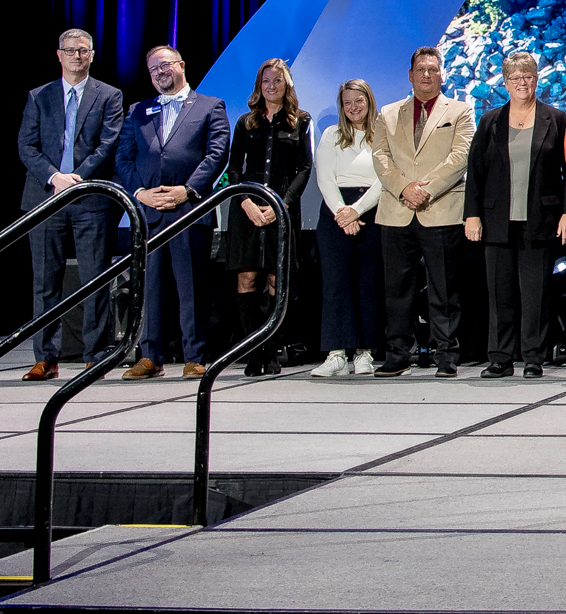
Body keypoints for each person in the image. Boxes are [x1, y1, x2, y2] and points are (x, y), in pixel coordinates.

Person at [17, 28, 125, 380]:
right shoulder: (39, 96)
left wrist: (76, 178)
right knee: (45, 281)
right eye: (70, 50)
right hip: (45, 198)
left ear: (92, 55)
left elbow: (108, 144)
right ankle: (46, 358)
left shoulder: (110, 95)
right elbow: (26, 147)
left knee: (95, 279)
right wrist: (55, 177)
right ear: (58, 54)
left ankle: (96, 355)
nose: (77, 56)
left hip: (90, 197)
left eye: (83, 50)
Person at [117, 46, 230, 379]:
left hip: (190, 210)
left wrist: (187, 190)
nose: (159, 73)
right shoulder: (138, 110)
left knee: (191, 286)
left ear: (181, 65)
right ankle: (150, 356)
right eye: (152, 70)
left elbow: (217, 152)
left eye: (164, 65)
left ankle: (195, 356)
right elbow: (124, 158)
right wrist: (141, 193)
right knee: (149, 286)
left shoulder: (210, 106)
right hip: (149, 212)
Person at [463, 53, 566, 379]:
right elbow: (476, 171)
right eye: (515, 78)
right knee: (500, 294)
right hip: (497, 219)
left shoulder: (555, 118)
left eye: (527, 76)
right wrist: (472, 215)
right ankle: (499, 357)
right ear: (506, 82)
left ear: (536, 79)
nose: (522, 82)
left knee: (536, 292)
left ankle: (533, 357)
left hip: (540, 218)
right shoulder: (490, 121)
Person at [370, 46, 476, 379]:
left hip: (441, 210)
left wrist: (425, 190)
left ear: (442, 73)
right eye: (421, 69)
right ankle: (398, 353)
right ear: (411, 74)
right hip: (396, 211)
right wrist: (404, 188)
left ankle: (446, 355)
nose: (427, 74)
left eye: (433, 69)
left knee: (444, 289)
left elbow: (460, 157)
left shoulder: (460, 110)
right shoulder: (388, 113)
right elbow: (381, 157)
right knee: (396, 290)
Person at [222, 59, 313, 377]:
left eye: (277, 80)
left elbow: (304, 168)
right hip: (246, 210)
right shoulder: (246, 122)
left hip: (282, 210)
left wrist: (282, 205)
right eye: (265, 81)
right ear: (258, 86)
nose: (271, 86)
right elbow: (233, 168)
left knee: (277, 279)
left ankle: (272, 349)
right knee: (247, 278)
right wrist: (245, 201)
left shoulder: (300, 121)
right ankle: (253, 351)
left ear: (287, 84)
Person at [311, 79, 383, 379]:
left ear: (369, 101)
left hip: (372, 210)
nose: (354, 107)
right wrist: (343, 212)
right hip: (335, 213)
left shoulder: (383, 134)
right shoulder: (330, 135)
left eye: (359, 101)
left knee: (369, 284)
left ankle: (365, 353)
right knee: (336, 284)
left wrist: (357, 210)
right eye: (347, 102)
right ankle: (336, 353)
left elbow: (386, 177)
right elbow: (325, 177)